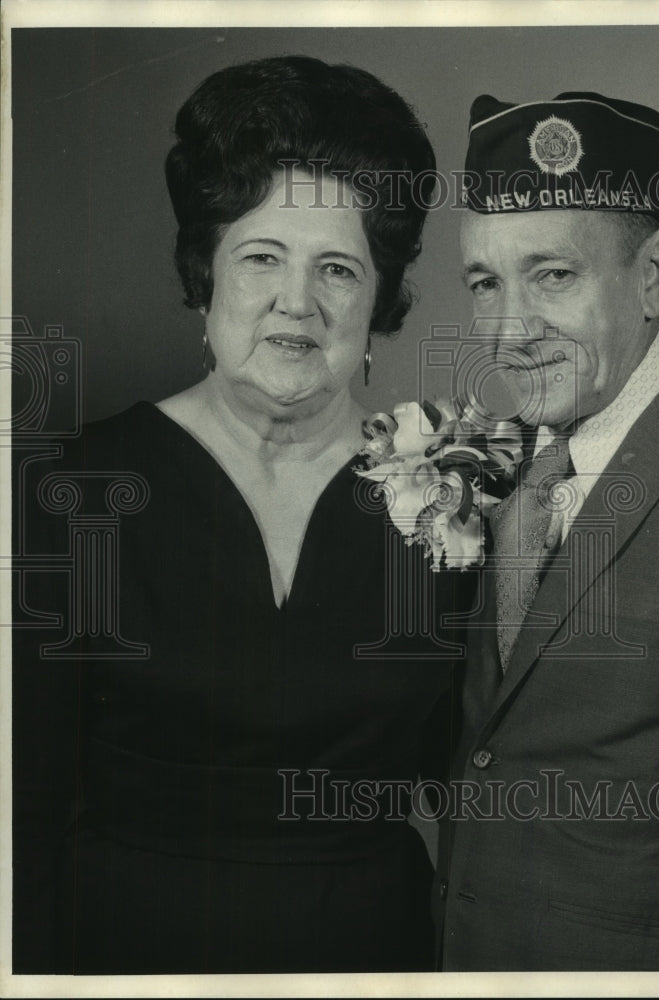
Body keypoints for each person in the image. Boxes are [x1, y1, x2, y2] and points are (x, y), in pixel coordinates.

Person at [12, 55, 473, 974]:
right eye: (262, 256)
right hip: (117, 962)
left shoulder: (457, 499)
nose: (295, 302)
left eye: (338, 267)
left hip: (372, 961)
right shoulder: (66, 491)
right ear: (205, 275)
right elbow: (11, 821)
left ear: (380, 299)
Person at [434, 92, 659, 970]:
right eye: (485, 284)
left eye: (553, 275)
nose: (509, 334)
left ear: (654, 271)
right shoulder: (497, 464)